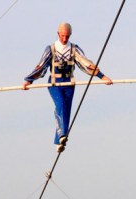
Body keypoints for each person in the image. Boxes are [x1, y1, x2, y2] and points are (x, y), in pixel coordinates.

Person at [23, 22, 113, 152]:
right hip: (54, 82)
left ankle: (59, 141)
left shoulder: (74, 49)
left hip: (69, 83)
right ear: (58, 34)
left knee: (66, 111)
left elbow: (85, 63)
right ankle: (62, 134)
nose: (65, 39)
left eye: (67, 36)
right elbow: (41, 65)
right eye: (63, 36)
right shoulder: (51, 49)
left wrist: (101, 76)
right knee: (60, 105)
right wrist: (29, 81)